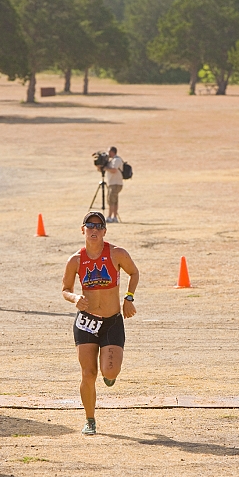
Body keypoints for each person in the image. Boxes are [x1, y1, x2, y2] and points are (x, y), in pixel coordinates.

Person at [62, 211, 139, 435]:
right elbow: (65, 290)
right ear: (82, 229)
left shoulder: (116, 254)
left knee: (110, 371)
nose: (94, 230)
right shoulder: (75, 260)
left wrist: (129, 297)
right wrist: (75, 298)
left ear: (104, 231)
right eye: (89, 226)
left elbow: (134, 273)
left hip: (112, 321)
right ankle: (90, 419)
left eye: (98, 226)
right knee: (88, 373)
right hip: (86, 322)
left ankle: (109, 376)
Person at [100, 146, 123, 223]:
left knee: (111, 200)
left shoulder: (116, 160)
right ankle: (114, 217)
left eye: (109, 152)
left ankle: (110, 217)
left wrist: (105, 168)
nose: (108, 153)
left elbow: (114, 170)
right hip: (113, 183)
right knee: (114, 200)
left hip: (115, 183)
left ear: (113, 152)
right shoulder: (112, 160)